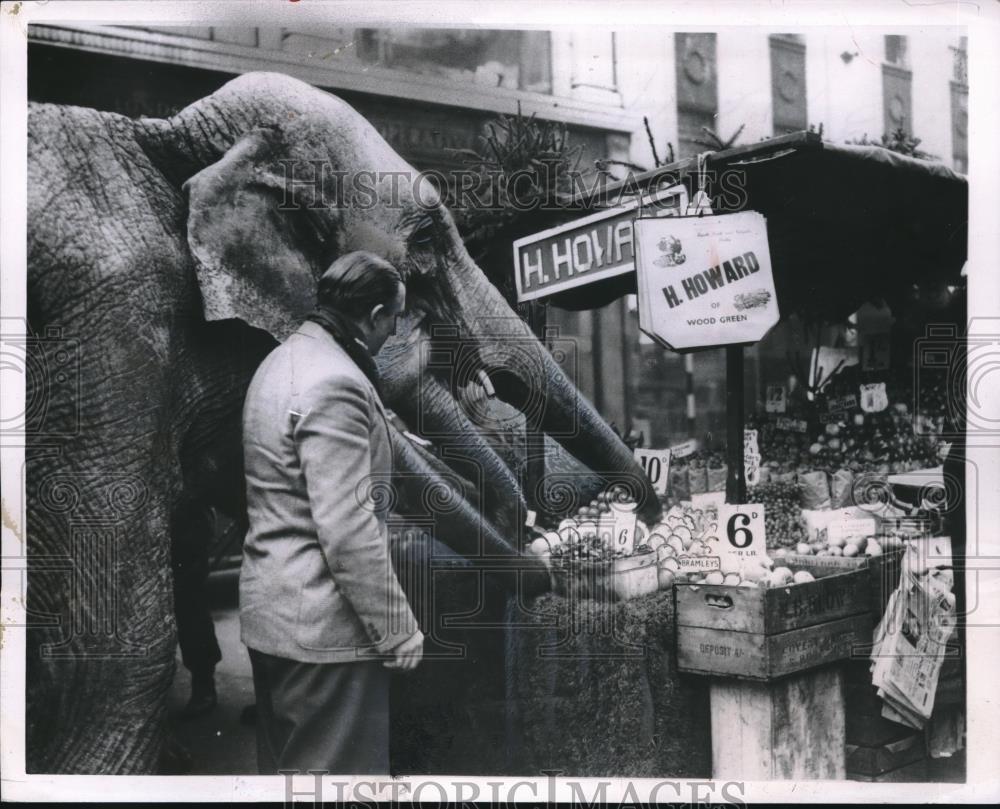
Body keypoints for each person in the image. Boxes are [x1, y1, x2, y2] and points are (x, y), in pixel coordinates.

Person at [240, 251, 424, 775]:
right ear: (373, 316)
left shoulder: (280, 361)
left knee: (286, 781)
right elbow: (347, 528)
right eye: (395, 318)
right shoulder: (337, 381)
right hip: (326, 635)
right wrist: (396, 628)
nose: (394, 332)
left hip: (272, 617)